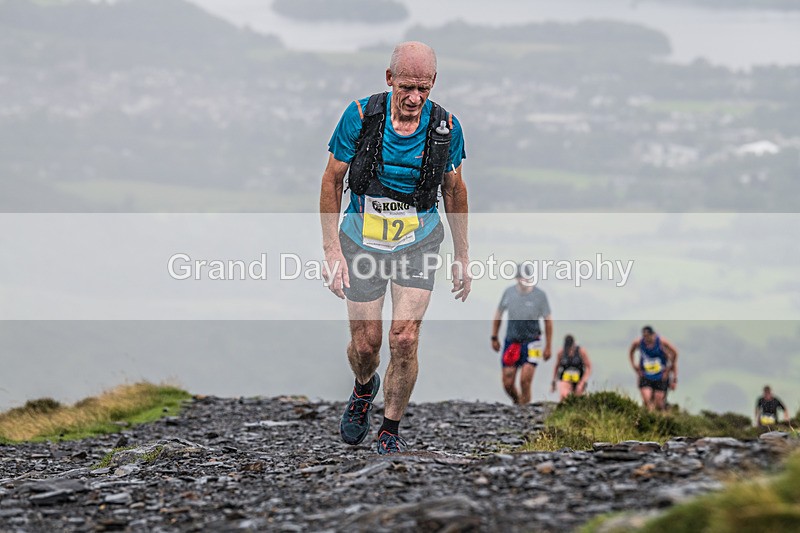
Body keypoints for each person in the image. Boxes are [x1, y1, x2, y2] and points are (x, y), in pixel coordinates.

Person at [320, 42, 470, 455]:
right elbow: (332, 180)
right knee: (366, 344)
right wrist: (332, 252)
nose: (414, 98)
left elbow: (455, 191)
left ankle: (390, 428)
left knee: (404, 337)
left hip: (417, 242)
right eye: (406, 86)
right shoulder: (360, 116)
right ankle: (364, 387)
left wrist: (462, 257)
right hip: (360, 240)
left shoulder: (447, 127)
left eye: (423, 88)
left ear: (433, 84)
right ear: (389, 80)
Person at [491, 263, 552, 404]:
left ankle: (524, 411)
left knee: (525, 380)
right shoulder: (509, 293)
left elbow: (548, 321)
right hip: (512, 341)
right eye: (519, 277)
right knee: (507, 381)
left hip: (532, 342)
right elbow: (498, 314)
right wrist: (494, 337)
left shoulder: (540, 296)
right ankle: (517, 401)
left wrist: (548, 346)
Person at [628, 325, 678, 411]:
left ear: (653, 335)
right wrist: (634, 366)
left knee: (658, 403)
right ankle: (650, 418)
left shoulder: (662, 343)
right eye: (644, 336)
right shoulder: (639, 343)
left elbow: (675, 355)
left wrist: (672, 377)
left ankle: (663, 415)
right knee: (647, 400)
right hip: (645, 375)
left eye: (648, 336)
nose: (646, 339)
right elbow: (631, 352)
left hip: (660, 376)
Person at [551, 334, 591, 401]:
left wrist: (583, 381)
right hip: (565, 378)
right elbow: (557, 367)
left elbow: (588, 367)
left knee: (578, 398)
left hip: (579, 378)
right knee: (564, 395)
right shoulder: (561, 353)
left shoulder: (581, 351)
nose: (569, 349)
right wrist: (554, 381)